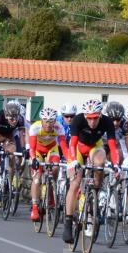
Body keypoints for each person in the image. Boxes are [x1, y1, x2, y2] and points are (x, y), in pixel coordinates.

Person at [62, 99, 121, 243]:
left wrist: (116, 165)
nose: (92, 121)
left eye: (95, 118)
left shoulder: (107, 121)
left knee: (100, 163)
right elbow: (72, 144)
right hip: (78, 148)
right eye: (89, 118)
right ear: (85, 116)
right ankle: (68, 223)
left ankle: (94, 192)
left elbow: (112, 147)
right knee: (75, 183)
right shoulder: (78, 120)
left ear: (100, 115)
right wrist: (74, 161)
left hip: (95, 146)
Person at [28, 106, 68, 221]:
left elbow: (64, 147)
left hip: (52, 149)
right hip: (37, 150)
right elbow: (32, 147)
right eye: (45, 121)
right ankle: (35, 208)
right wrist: (34, 159)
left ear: (55, 121)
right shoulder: (35, 127)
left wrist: (70, 160)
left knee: (55, 168)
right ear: (41, 120)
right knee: (37, 178)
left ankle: (51, 191)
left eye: (51, 121)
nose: (48, 124)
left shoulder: (59, 127)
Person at [0, 100, 27, 202]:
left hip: (8, 138)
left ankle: (7, 186)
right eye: (11, 118)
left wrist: (23, 149)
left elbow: (22, 136)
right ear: (6, 115)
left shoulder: (21, 119)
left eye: (16, 118)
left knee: (12, 157)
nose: (14, 121)